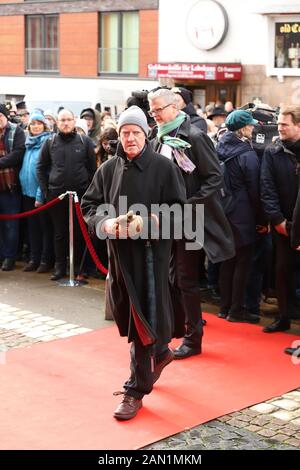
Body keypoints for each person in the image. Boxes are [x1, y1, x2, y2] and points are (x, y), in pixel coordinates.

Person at [81, 105, 186, 420]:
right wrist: (106, 224)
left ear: (145, 134)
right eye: (125, 133)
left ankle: (135, 390)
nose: (129, 138)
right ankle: (161, 352)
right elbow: (90, 204)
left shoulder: (164, 168)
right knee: (130, 317)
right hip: (119, 258)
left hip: (150, 257)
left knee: (142, 319)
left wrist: (150, 222)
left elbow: (182, 214)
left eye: (135, 133)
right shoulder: (108, 169)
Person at [148, 88, 235, 359]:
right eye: (151, 110)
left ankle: (193, 338)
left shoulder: (195, 137)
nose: (155, 115)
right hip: (163, 217)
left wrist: (190, 204)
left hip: (190, 217)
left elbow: (214, 178)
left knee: (186, 278)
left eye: (158, 109)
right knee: (170, 277)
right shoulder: (155, 136)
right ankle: (176, 328)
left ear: (175, 108)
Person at [216, 110, 267, 323]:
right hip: (243, 212)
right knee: (243, 261)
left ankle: (224, 306)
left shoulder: (218, 147)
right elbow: (255, 189)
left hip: (222, 209)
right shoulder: (247, 153)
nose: (253, 128)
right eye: (250, 125)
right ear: (243, 128)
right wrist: (262, 219)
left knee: (227, 260)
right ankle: (236, 310)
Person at [37, 108, 97, 280]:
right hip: (56, 196)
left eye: (68, 120)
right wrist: (45, 190)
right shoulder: (50, 142)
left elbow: (93, 169)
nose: (65, 123)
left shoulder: (85, 142)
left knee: (79, 232)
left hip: (80, 197)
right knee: (60, 233)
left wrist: (89, 193)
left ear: (74, 121)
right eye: (62, 120)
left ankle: (78, 267)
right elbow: (41, 167)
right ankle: (60, 267)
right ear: (57, 122)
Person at [260, 105, 300, 333]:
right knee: (282, 270)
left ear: (298, 126)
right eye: (279, 124)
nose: (279, 128)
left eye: (284, 124)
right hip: (283, 225)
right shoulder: (272, 152)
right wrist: (277, 221)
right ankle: (284, 316)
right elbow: (267, 188)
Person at [19, 110, 54, 272]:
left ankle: (45, 261)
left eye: (39, 123)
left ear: (44, 125)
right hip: (27, 192)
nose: (36, 126)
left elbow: (45, 171)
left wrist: (40, 195)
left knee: (44, 228)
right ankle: (34, 258)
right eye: (33, 123)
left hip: (41, 194)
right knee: (32, 228)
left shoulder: (48, 142)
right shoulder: (28, 143)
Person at [0, 103, 26, 270]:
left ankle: (10, 257)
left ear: (5, 116)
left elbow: (17, 154)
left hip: (11, 185)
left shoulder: (17, 131)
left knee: (11, 225)